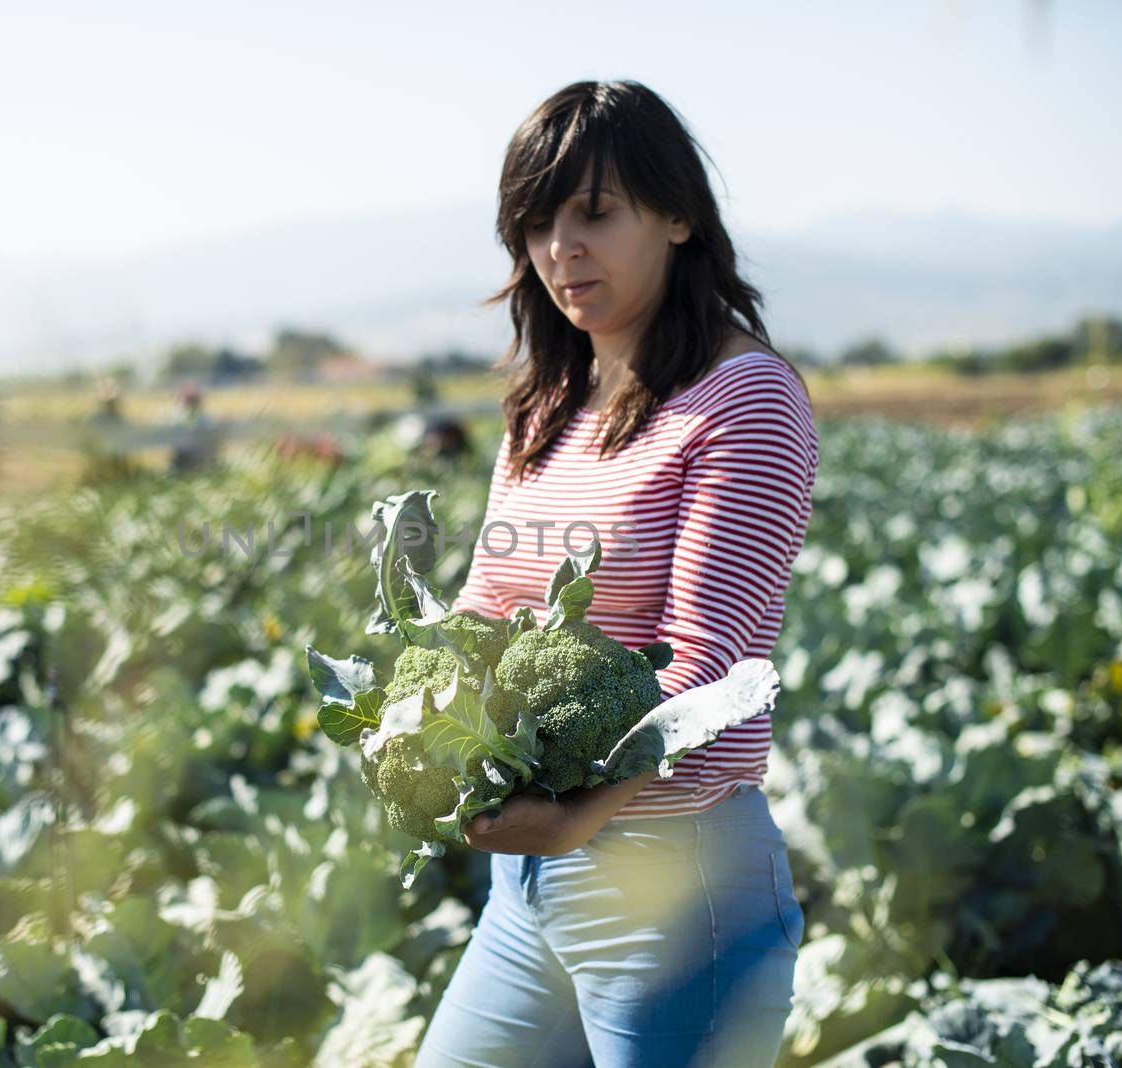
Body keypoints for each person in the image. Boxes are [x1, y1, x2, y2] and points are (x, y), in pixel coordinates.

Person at [413, 80, 818, 1068]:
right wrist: (425, 710)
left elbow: (708, 671)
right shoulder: (544, 402)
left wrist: (575, 816)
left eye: (593, 213)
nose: (561, 249)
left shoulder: (744, 399)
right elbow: (485, 609)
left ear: (677, 215)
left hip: (675, 887)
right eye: (536, 223)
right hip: (526, 892)